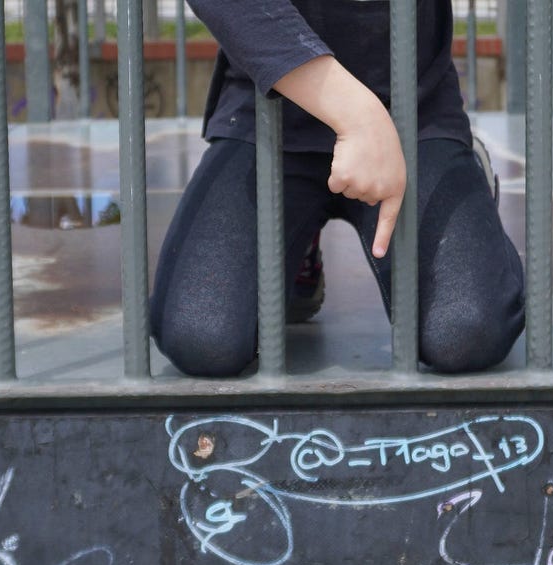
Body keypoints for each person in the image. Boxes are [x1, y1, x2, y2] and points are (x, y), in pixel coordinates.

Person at [149, 0, 526, 377]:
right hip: (266, 106)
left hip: (414, 110)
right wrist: (355, 113)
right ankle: (300, 248)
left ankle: (468, 186)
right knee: (199, 337)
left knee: (466, 332)